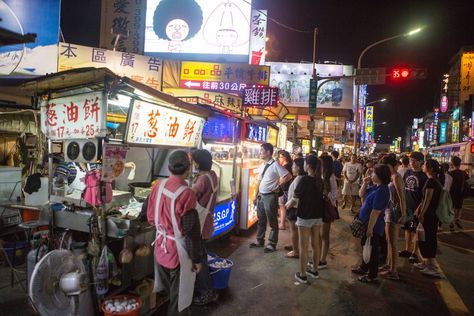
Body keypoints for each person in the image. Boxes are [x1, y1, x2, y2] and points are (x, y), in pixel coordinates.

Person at [147, 150, 201, 316]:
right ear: (188, 168)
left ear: (169, 168)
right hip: (178, 252)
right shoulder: (187, 194)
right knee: (179, 299)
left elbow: (148, 216)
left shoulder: (157, 186)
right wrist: (196, 259)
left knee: (169, 292)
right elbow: (191, 231)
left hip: (160, 247)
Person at [286, 155, 324, 284]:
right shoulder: (320, 181)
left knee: (303, 246)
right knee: (315, 244)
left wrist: (285, 206)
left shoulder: (304, 180)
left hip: (305, 216)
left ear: (308, 166)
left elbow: (294, 199)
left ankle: (302, 274)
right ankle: (314, 270)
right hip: (318, 216)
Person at [351, 164, 391, 283]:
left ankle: (372, 275)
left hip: (373, 225)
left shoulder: (382, 190)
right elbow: (361, 194)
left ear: (380, 176)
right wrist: (365, 182)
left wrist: (370, 229)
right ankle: (364, 267)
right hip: (367, 223)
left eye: (373, 173)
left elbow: (375, 212)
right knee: (366, 246)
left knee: (372, 250)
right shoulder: (376, 187)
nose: (371, 174)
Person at [250, 143, 292, 253]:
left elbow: (288, 175)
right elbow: (259, 180)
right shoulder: (263, 164)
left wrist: (278, 185)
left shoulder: (275, 165)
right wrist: (256, 195)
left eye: (261, 151)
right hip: (261, 196)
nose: (260, 153)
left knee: (272, 221)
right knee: (261, 219)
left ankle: (272, 243)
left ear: (268, 152)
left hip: (270, 196)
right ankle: (260, 240)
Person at [191, 150, 219, 306]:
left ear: (198, 163)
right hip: (207, 221)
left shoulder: (202, 180)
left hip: (199, 225)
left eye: (194, 161)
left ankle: (207, 293)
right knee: (202, 255)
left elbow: (190, 197)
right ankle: (207, 290)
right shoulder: (213, 175)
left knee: (199, 259)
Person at [414, 159, 443, 277]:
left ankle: (433, 267)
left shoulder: (431, 181)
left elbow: (427, 199)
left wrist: (422, 213)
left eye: (425, 165)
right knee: (423, 238)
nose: (422, 166)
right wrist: (418, 209)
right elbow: (424, 199)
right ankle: (426, 263)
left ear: (430, 168)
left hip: (429, 215)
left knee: (429, 239)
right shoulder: (432, 180)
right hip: (428, 214)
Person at [380, 155, 407, 280]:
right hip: (388, 210)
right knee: (388, 240)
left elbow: (402, 197)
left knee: (393, 242)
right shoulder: (391, 177)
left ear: (391, 165)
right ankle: (389, 265)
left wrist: (404, 213)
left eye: (386, 166)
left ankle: (394, 271)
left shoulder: (396, 177)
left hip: (394, 212)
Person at [400, 152, 427, 264]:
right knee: (407, 228)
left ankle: (414, 252)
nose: (411, 162)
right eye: (410, 160)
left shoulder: (424, 176)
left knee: (415, 230)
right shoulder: (407, 172)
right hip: (408, 207)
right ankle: (407, 249)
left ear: (421, 162)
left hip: (416, 208)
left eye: (414, 160)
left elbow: (425, 196)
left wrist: (419, 209)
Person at [284, 158, 306, 259]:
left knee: (293, 230)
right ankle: (295, 246)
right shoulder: (301, 178)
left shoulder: (299, 179)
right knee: (295, 230)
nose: (292, 168)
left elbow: (296, 197)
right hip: (296, 208)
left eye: (293, 166)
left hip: (294, 208)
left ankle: (295, 251)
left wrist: (288, 205)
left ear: (298, 168)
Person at [319, 155, 338, 269]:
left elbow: (334, 195)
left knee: (324, 235)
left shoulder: (329, 177)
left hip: (326, 208)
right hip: (320, 207)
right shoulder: (322, 175)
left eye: (321, 162)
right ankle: (319, 257)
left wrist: (326, 197)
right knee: (318, 235)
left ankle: (323, 260)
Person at [449, 156, 467, 231]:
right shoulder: (463, 173)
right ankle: (458, 219)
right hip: (460, 193)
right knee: (459, 207)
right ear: (460, 164)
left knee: (452, 208)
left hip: (452, 193)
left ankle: (451, 222)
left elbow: (448, 183)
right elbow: (465, 182)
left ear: (452, 164)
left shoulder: (450, 173)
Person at [277, 150, 293, 230]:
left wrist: (280, 183)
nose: (279, 158)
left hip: (284, 189)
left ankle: (282, 224)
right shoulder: (289, 165)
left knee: (282, 206)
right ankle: (282, 221)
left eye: (280, 157)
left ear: (285, 158)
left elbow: (286, 177)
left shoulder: (286, 166)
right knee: (282, 206)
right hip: (287, 189)